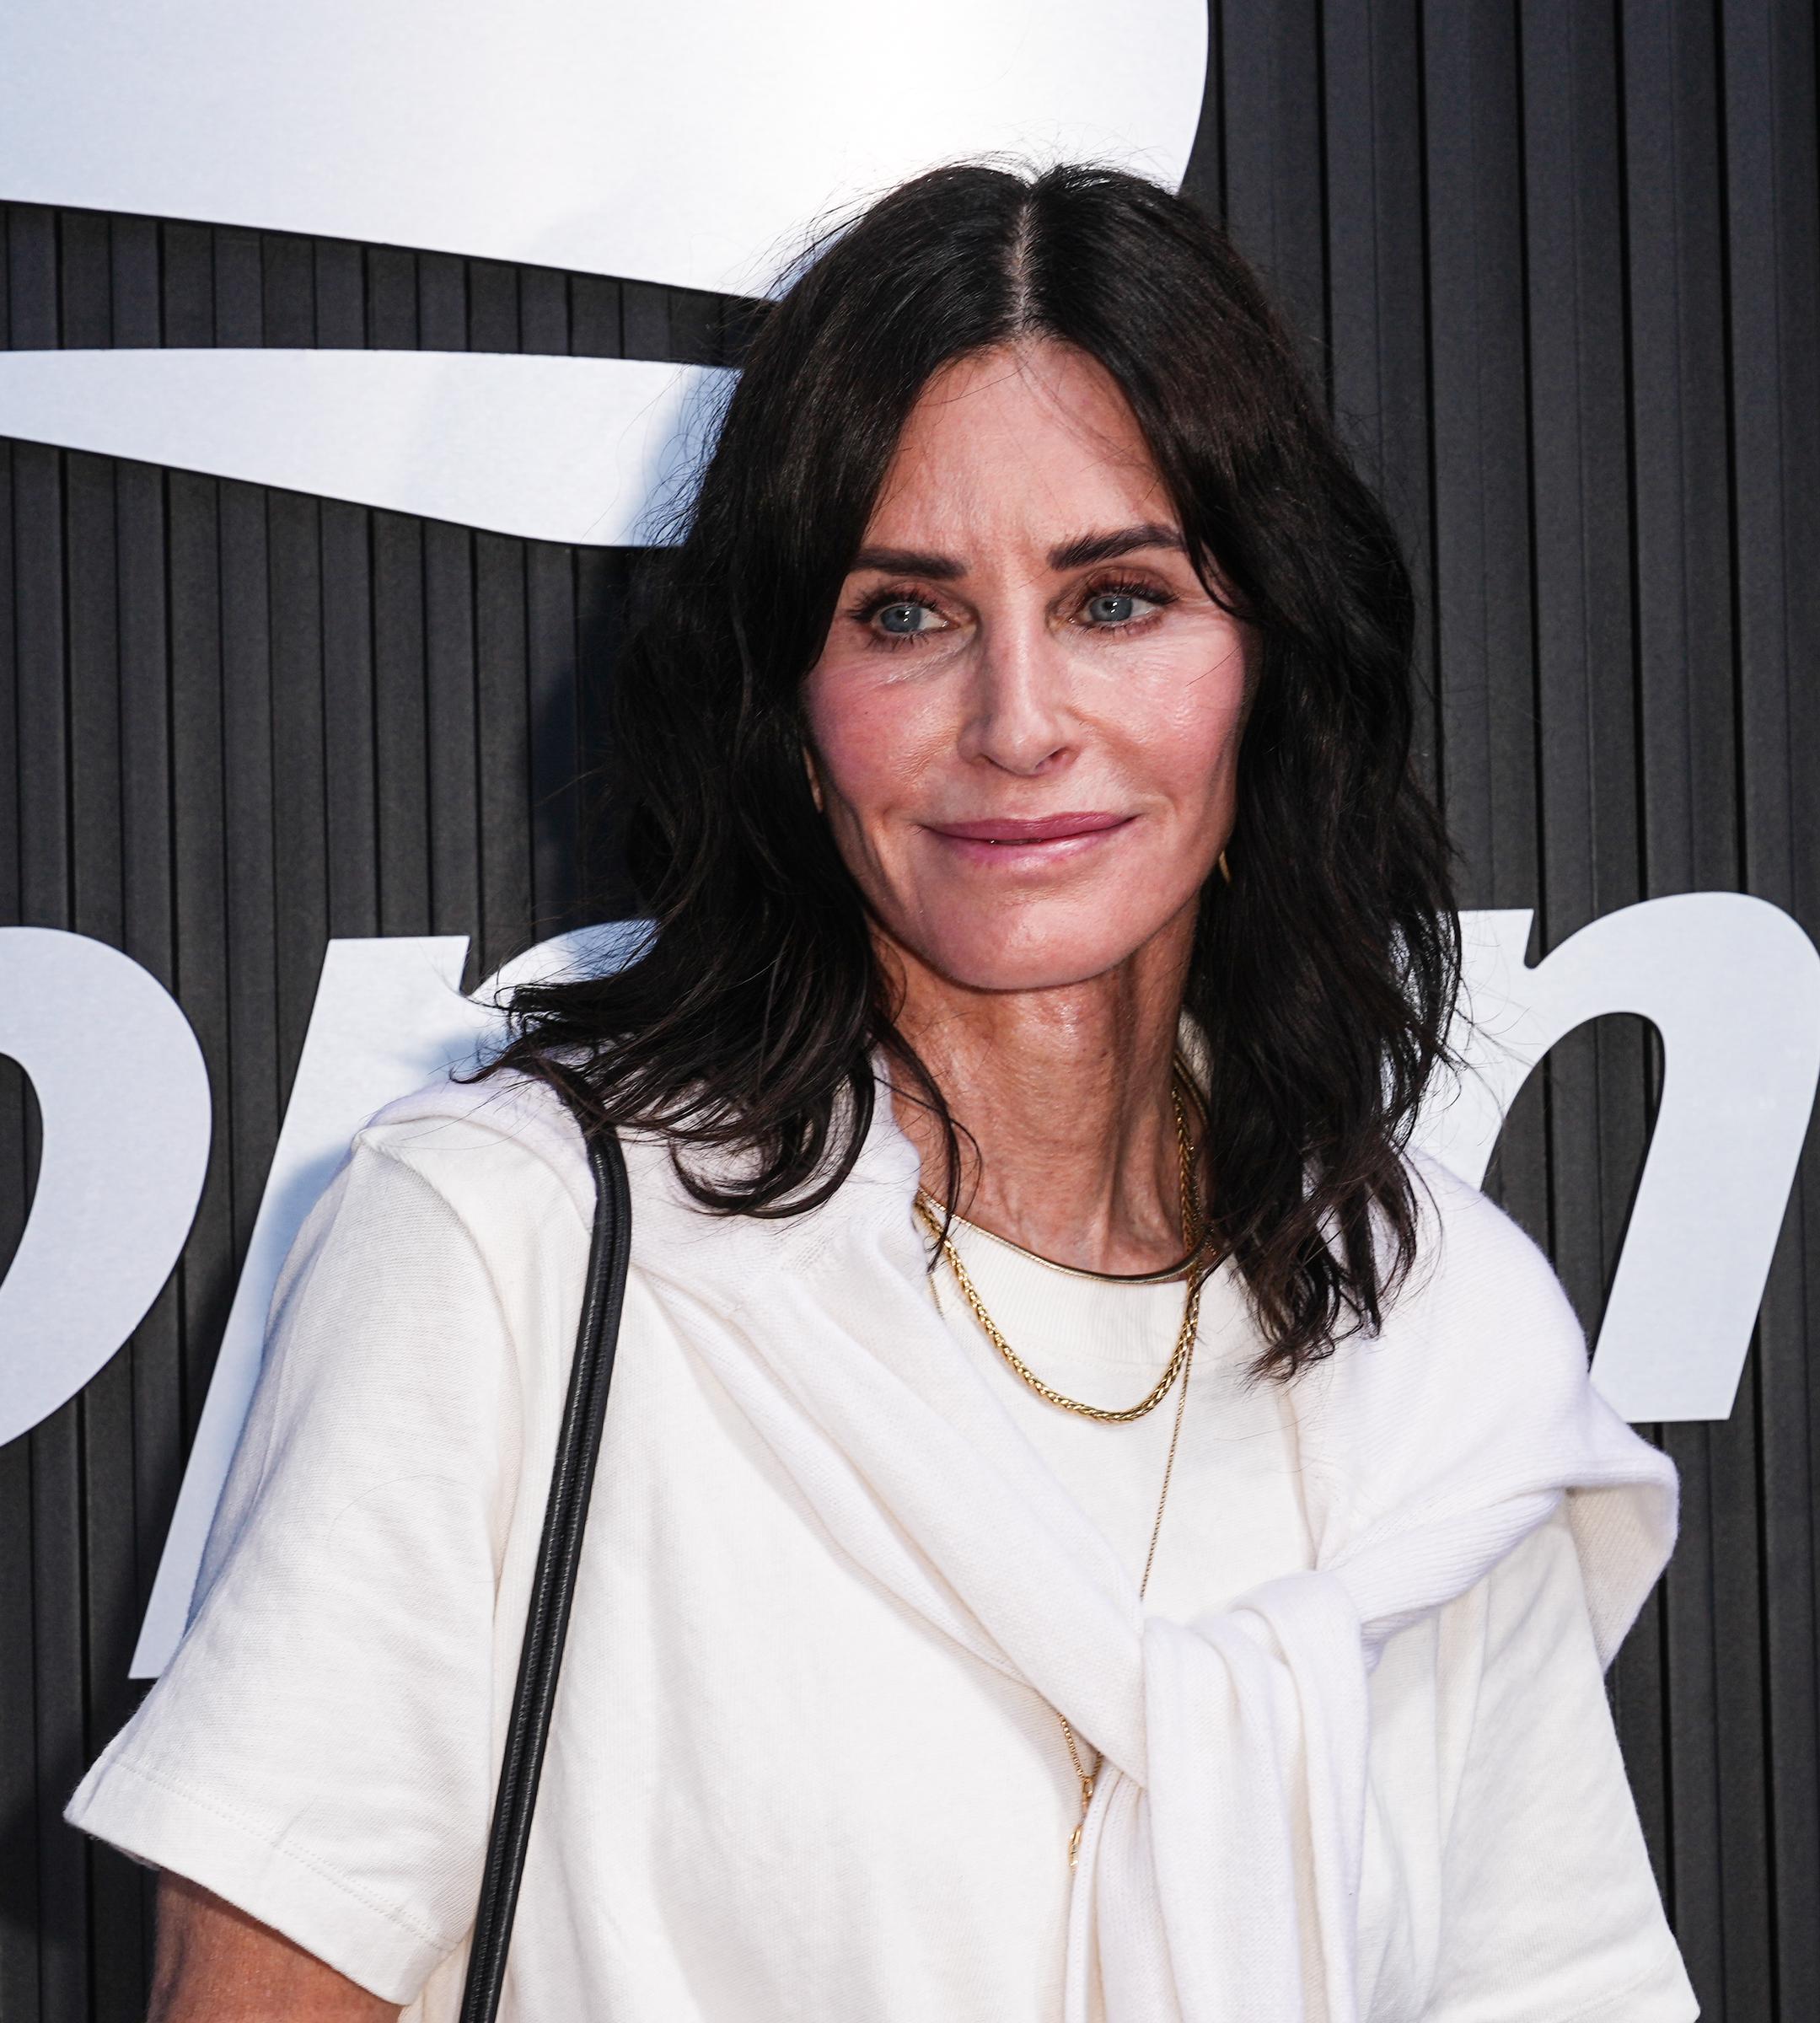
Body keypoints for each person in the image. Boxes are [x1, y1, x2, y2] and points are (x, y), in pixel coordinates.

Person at [68, 162, 1698, 2022]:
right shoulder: (519, 1244)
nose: (1017, 721)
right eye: (907, 616)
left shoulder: (1440, 1341)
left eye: (1117, 598)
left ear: (1271, 664)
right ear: (789, 708)